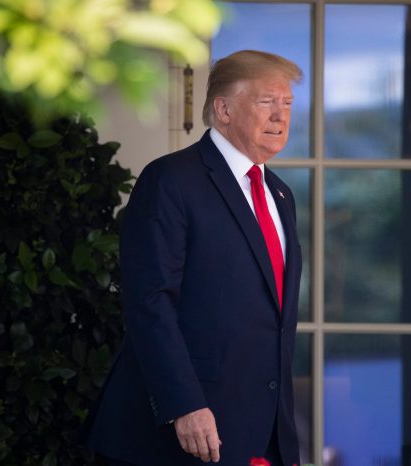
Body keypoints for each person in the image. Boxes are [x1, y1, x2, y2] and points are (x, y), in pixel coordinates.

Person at [84, 50, 303, 466]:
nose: (280, 116)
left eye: (287, 104)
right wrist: (184, 405)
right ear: (223, 109)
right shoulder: (171, 179)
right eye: (265, 102)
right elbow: (150, 302)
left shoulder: (280, 195)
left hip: (258, 432)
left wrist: (283, 435)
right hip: (178, 432)